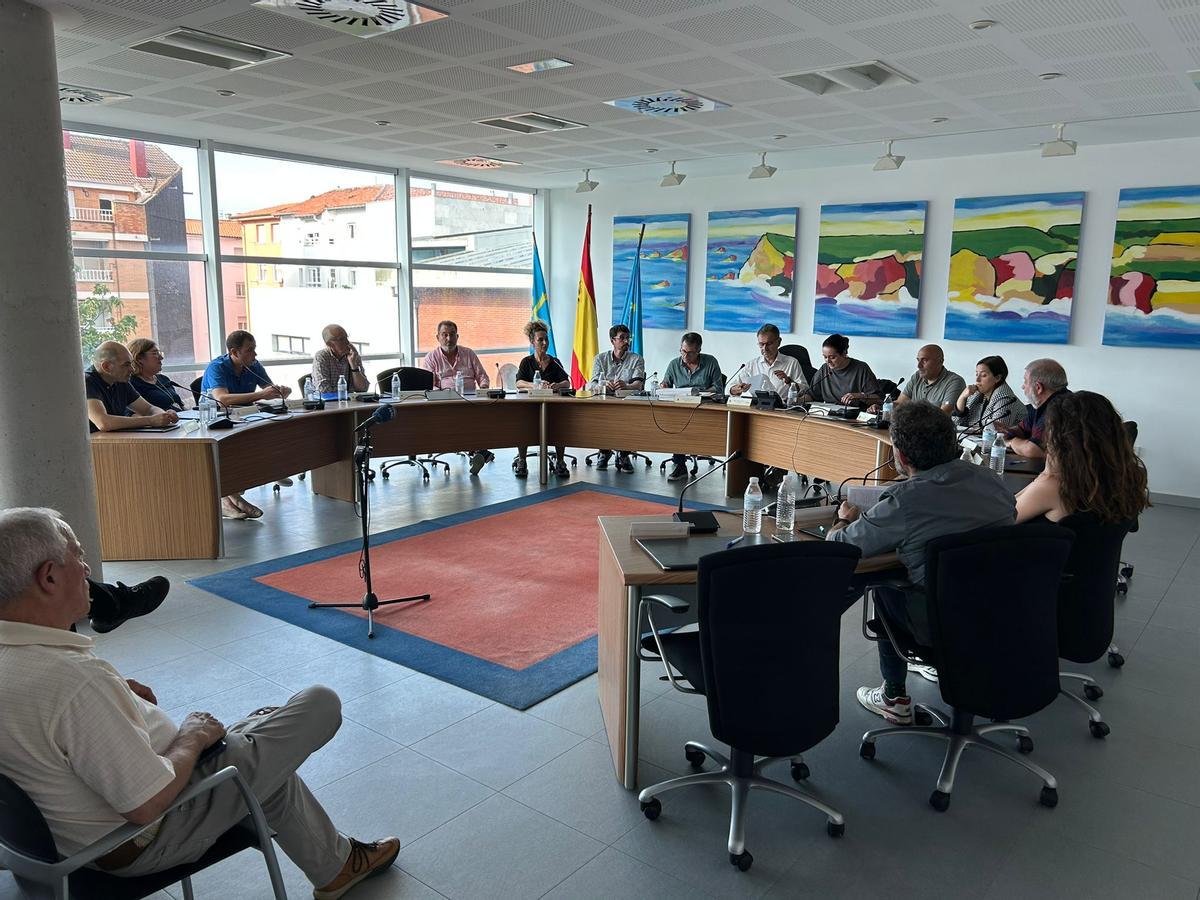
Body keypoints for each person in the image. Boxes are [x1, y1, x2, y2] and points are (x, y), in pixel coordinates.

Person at [0, 508, 399, 900]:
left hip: (61, 843)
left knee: (264, 762)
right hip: (145, 837)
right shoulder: (74, 683)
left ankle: (337, 867)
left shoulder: (27, 661)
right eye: (79, 557)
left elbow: (46, 718)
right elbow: (144, 805)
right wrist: (190, 738)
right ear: (49, 576)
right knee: (319, 704)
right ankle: (258, 742)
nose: (87, 570)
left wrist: (115, 694)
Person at [825, 402, 1015, 725]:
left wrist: (842, 521)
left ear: (899, 455)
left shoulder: (904, 502)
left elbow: (840, 549)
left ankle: (894, 696)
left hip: (936, 623)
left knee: (882, 583)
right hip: (1002, 614)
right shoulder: (993, 481)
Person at [1014, 391, 1149, 525]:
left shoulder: (1054, 488)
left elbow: (1000, 518)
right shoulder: (1128, 478)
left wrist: (1046, 474)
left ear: (1061, 440)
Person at [201, 331, 293, 520]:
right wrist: (260, 395)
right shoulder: (216, 367)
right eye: (250, 350)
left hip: (245, 416)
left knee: (274, 427)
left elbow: (269, 389)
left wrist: (281, 391)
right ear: (234, 352)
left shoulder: (253, 365)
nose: (255, 355)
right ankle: (234, 497)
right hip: (218, 420)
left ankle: (271, 468)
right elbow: (222, 399)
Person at [421, 320, 491, 476]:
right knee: (463, 420)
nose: (448, 338)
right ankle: (478, 452)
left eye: (452, 334)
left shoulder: (469, 354)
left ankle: (477, 451)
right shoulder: (431, 358)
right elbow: (428, 385)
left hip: (470, 401)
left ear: (457, 336)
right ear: (437, 337)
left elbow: (482, 376)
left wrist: (484, 389)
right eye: (444, 335)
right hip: (444, 404)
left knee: (480, 415)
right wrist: (443, 394)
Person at [660, 332, 724, 482]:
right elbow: (666, 385)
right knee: (674, 423)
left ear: (699, 351)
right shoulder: (674, 364)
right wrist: (663, 387)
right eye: (683, 351)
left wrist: (701, 393)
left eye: (690, 353)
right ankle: (680, 465)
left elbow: (718, 388)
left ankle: (683, 461)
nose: (685, 356)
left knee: (683, 423)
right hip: (681, 408)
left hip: (704, 407)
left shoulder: (710, 362)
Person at [515, 319, 571, 479]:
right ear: (533, 342)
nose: (545, 343)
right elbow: (519, 383)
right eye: (541, 340)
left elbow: (567, 382)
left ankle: (560, 461)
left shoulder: (554, 361)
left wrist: (556, 386)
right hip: (530, 406)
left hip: (553, 406)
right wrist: (535, 385)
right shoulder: (527, 362)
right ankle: (522, 461)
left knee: (561, 426)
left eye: (546, 339)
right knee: (522, 426)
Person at [85, 342, 179, 434]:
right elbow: (103, 423)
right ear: (106, 367)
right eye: (126, 365)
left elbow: (148, 409)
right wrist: (150, 420)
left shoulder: (120, 380)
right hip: (94, 445)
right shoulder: (87, 382)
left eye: (131, 364)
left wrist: (164, 416)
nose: (132, 369)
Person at [590, 323, 646, 473]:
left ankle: (624, 454)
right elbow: (592, 384)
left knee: (625, 419)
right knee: (600, 418)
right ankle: (604, 452)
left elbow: (638, 385)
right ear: (612, 340)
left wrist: (626, 386)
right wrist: (603, 385)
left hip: (626, 402)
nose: (626, 341)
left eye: (628, 338)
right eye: (622, 338)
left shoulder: (636, 359)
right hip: (604, 401)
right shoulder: (600, 359)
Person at [996, 358, 1070, 460]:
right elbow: (1023, 429)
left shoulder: (1058, 408)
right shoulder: (1040, 404)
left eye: (1025, 382)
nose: (1023, 386)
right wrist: (1005, 431)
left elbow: (1034, 450)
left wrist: (1011, 442)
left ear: (1038, 388)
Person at [727, 323, 808, 402]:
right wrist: (736, 389)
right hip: (757, 407)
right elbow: (728, 389)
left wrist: (789, 381)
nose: (765, 348)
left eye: (769, 344)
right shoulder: (752, 364)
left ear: (779, 342)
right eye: (761, 344)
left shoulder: (792, 363)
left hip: (782, 409)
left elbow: (805, 390)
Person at [801, 334, 881, 406]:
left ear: (844, 353)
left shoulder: (861, 368)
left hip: (853, 416)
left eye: (832, 357)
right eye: (825, 357)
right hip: (827, 413)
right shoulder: (824, 369)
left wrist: (859, 396)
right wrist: (797, 400)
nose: (828, 361)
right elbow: (811, 395)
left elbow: (878, 398)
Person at [952, 355, 1025, 432]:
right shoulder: (977, 395)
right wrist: (962, 398)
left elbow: (995, 433)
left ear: (997, 378)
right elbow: (956, 423)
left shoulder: (1006, 399)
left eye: (983, 375)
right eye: (977, 374)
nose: (977, 379)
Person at [892, 344, 965, 413]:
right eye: (918, 360)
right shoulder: (917, 376)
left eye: (924, 360)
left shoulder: (955, 382)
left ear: (940, 361)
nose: (919, 365)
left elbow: (944, 414)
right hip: (913, 425)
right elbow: (900, 404)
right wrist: (885, 406)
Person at [127, 338, 186, 412]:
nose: (161, 358)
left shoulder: (164, 379)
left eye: (159, 353)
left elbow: (181, 406)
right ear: (139, 358)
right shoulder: (131, 383)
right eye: (155, 353)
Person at [312, 324, 369, 395]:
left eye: (347, 337)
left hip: (349, 402)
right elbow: (323, 390)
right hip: (328, 404)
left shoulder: (353, 356)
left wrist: (353, 365)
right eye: (342, 339)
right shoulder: (322, 356)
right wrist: (345, 393)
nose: (347, 342)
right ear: (330, 344)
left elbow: (363, 389)